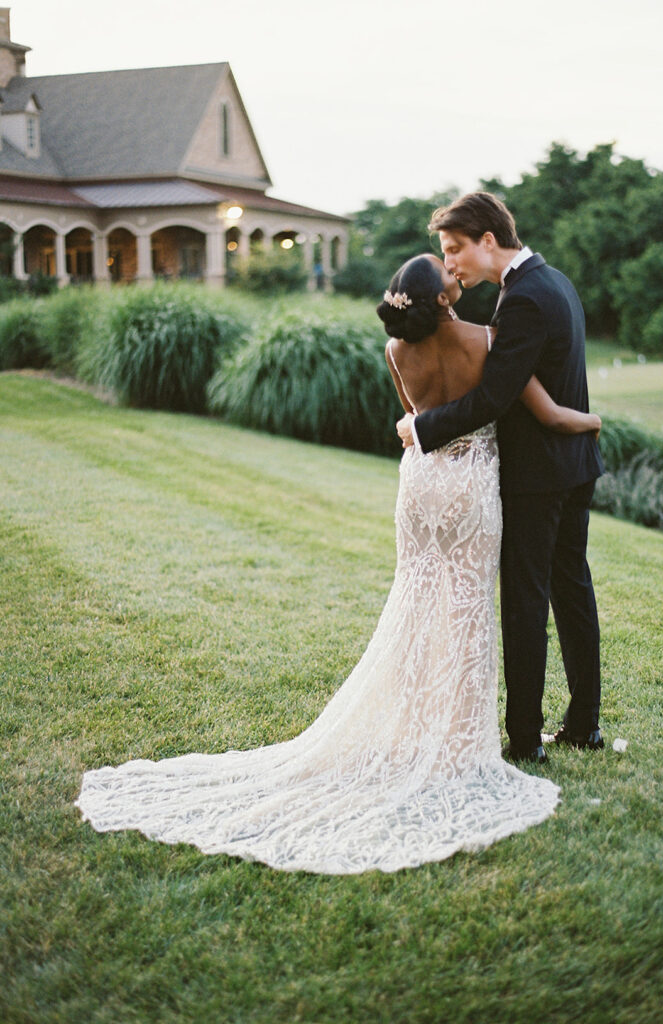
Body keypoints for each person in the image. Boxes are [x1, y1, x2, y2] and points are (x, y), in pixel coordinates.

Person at [75, 254, 599, 875]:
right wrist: (590, 420)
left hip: (421, 485)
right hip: (471, 487)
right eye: (449, 274)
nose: (458, 275)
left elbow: (412, 418)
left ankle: (415, 727)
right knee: (466, 608)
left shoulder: (394, 352)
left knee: (418, 599)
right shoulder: (488, 340)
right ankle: (458, 738)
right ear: (441, 300)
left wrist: (425, 427)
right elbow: (518, 406)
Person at [397, 193, 605, 765]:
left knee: (526, 602)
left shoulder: (523, 302)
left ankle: (524, 740)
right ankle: (584, 724)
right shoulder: (554, 281)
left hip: (539, 475)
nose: (452, 263)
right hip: (574, 465)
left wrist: (422, 427)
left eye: (455, 249)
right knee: (571, 589)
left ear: (488, 240)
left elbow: (492, 398)